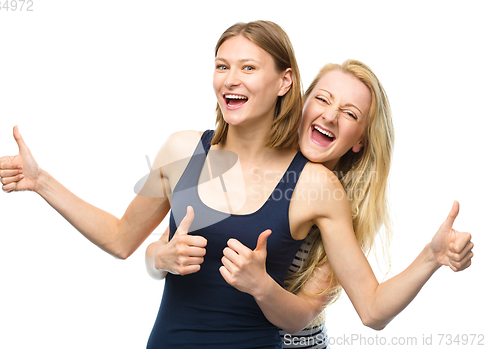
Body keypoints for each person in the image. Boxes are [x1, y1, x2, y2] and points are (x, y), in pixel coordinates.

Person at [0, 21, 473, 348]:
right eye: (222, 65)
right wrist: (42, 183)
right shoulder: (182, 150)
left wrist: (430, 258)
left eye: (249, 67)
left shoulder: (316, 185)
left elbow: (370, 309)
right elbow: (122, 239)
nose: (231, 78)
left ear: (285, 81)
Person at [145, 59, 474, 349]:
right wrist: (160, 257)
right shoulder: (244, 168)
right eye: (322, 99)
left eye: (349, 113)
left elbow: (367, 310)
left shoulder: (337, 207)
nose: (330, 116)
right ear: (301, 103)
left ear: (360, 140)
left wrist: (431, 257)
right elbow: (159, 250)